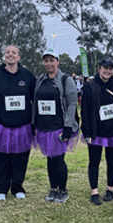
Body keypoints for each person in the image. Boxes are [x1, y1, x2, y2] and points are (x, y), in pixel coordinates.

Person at [0, 45, 36, 201]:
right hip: (1, 125)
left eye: (14, 53)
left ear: (19, 57)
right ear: (4, 56)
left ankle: (17, 187)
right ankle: (0, 188)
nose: (10, 55)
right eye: (7, 52)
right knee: (0, 159)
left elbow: (36, 99)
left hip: (23, 126)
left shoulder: (28, 75)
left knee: (20, 158)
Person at [32, 48, 79, 203]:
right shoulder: (40, 80)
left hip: (59, 127)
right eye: (46, 61)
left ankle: (63, 190)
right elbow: (35, 104)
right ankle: (53, 188)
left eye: (52, 60)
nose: (49, 64)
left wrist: (67, 127)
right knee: (49, 159)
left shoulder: (66, 79)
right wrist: (34, 122)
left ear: (58, 61)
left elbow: (72, 104)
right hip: (44, 126)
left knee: (58, 160)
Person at [81, 57, 113, 205]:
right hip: (95, 131)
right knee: (94, 161)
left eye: (111, 68)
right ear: (99, 68)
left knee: (112, 161)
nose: (108, 71)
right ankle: (94, 191)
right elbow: (84, 111)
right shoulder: (89, 86)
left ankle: (110, 189)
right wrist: (86, 132)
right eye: (105, 67)